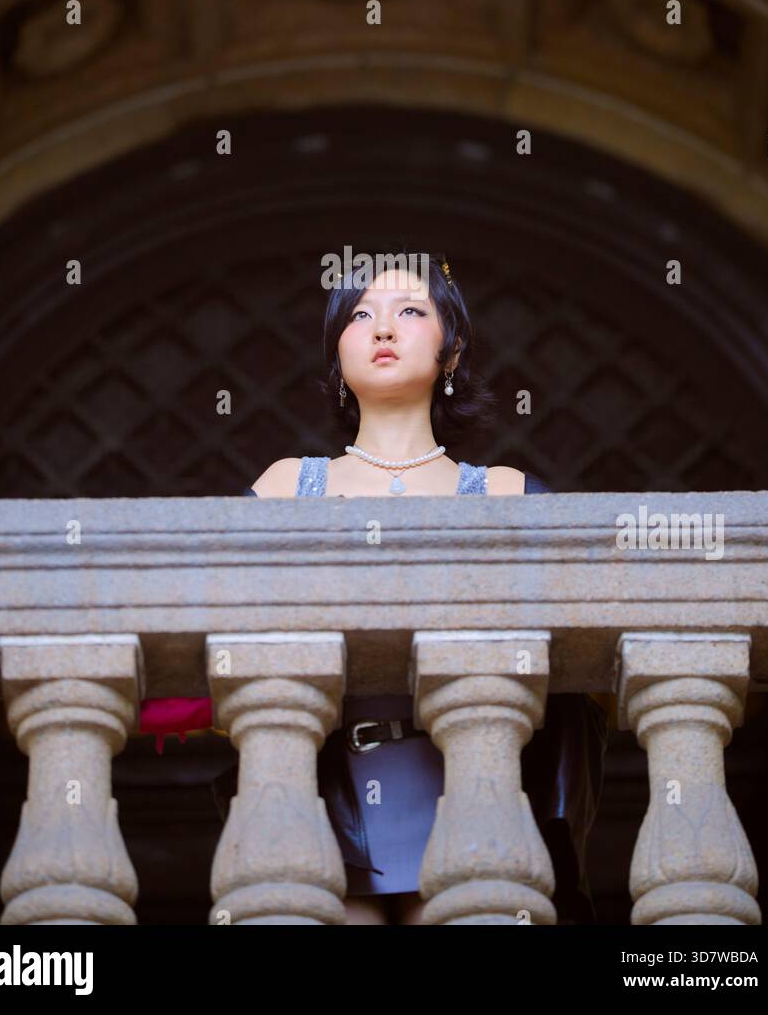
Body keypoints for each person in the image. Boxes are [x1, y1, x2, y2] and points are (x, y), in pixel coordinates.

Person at [140, 250, 609, 926]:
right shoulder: (286, 486)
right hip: (326, 807)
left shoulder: (506, 493)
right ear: (338, 359)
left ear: (452, 352)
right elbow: (201, 631)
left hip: (473, 798)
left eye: (410, 311)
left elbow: (579, 649)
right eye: (360, 316)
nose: (383, 328)